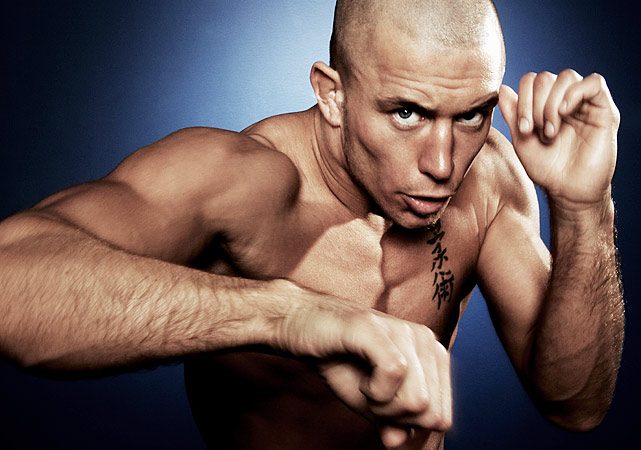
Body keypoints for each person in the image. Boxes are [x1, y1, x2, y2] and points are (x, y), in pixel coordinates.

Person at [0, 0, 624, 449]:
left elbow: (576, 405)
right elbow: (11, 283)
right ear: (332, 94)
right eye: (407, 113)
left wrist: (583, 206)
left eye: (471, 115)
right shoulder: (240, 181)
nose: (442, 164)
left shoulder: (489, 178)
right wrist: (289, 316)